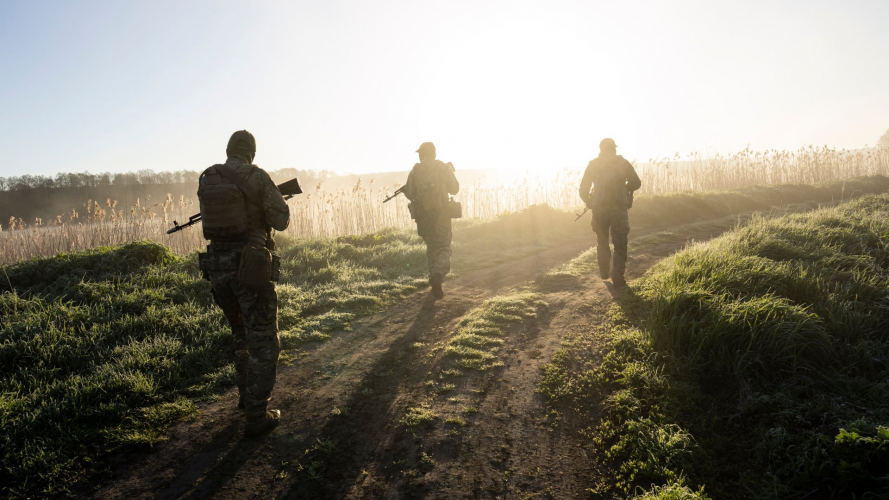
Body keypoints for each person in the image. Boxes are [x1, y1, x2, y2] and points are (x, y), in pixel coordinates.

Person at [197, 130, 290, 437]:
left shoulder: (207, 177)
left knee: (240, 334)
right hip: (251, 271)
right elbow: (281, 220)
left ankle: (244, 399)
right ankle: (257, 415)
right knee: (264, 342)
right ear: (252, 152)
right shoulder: (257, 176)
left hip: (218, 270)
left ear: (227, 150)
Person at [578, 138, 642, 288]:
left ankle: (604, 273)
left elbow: (582, 190)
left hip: (599, 209)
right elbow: (637, 182)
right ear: (614, 148)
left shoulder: (593, 165)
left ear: (600, 149)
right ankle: (617, 276)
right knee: (620, 243)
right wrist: (625, 188)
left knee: (602, 241)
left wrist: (590, 202)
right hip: (618, 209)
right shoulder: (622, 163)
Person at [403, 142, 460, 299]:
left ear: (422, 154)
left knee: (432, 248)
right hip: (442, 215)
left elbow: (410, 193)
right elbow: (455, 188)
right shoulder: (442, 167)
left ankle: (435, 282)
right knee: (444, 247)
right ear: (434, 153)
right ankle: (438, 274)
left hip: (424, 217)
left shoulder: (415, 170)